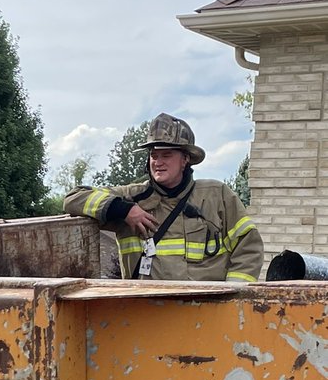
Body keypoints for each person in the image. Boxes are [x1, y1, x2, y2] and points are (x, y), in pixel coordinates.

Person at [64, 113, 263, 282]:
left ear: (185, 159)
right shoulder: (132, 197)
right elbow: (73, 198)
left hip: (206, 313)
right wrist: (124, 210)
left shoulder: (216, 195)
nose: (157, 162)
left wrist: (232, 296)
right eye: (154, 155)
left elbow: (249, 247)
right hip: (149, 315)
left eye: (166, 155)